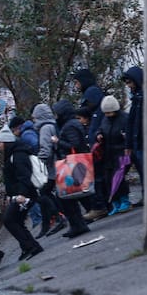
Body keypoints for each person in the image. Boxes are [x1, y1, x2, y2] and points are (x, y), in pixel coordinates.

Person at [0, 125, 43, 260]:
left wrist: (21, 194)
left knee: (10, 220)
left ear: (6, 142)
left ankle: (31, 246)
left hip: (24, 195)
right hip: (21, 194)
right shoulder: (13, 154)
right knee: (16, 221)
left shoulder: (17, 155)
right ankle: (30, 246)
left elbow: (24, 176)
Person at [52, 99, 91, 239]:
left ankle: (77, 225)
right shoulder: (73, 123)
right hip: (73, 164)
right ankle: (78, 224)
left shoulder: (69, 126)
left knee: (65, 196)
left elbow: (73, 144)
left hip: (70, 165)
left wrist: (57, 142)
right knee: (69, 197)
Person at [32, 103, 67, 237]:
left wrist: (37, 162)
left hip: (52, 167)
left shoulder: (45, 129)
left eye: (34, 117)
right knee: (53, 192)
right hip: (59, 164)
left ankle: (60, 217)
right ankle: (61, 216)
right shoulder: (53, 124)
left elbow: (46, 150)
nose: (33, 120)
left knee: (44, 192)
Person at [96, 95, 131, 216]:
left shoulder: (124, 119)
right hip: (108, 152)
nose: (107, 115)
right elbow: (100, 129)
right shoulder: (105, 120)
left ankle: (124, 200)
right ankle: (116, 203)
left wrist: (127, 145)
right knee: (108, 179)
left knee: (119, 178)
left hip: (121, 152)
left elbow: (129, 134)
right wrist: (99, 134)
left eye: (109, 113)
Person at [122, 66, 144, 206]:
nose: (129, 86)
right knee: (143, 171)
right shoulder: (137, 99)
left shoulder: (142, 98)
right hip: (138, 142)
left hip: (142, 140)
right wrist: (129, 144)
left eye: (130, 82)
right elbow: (131, 123)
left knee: (146, 170)